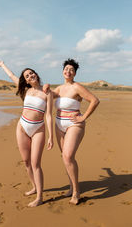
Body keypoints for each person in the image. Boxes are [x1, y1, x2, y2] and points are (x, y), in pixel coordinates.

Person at [0, 60, 53, 207]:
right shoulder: (26, 90)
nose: (30, 76)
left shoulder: (47, 92)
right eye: (27, 76)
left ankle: (40, 197)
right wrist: (3, 65)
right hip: (22, 127)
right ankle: (34, 187)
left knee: (35, 164)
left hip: (38, 129)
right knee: (26, 162)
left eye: (31, 73)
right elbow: (12, 76)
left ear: (36, 74)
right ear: (25, 80)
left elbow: (48, 115)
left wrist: (51, 136)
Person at [44, 58, 99, 205]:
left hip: (74, 124)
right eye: (66, 69)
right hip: (58, 124)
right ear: (63, 71)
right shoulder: (60, 88)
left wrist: (83, 117)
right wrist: (47, 88)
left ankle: (76, 191)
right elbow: (49, 95)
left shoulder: (77, 87)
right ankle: (71, 186)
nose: (68, 71)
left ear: (75, 74)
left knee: (68, 156)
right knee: (64, 157)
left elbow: (95, 100)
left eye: (71, 70)